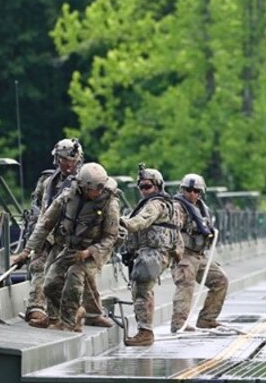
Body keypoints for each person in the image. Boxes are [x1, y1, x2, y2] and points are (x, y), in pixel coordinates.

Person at [11, 163, 121, 332]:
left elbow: (110, 237)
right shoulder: (67, 198)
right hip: (72, 246)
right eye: (94, 189)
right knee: (50, 283)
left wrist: (88, 252)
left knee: (74, 277)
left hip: (95, 249)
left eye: (101, 188)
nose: (98, 192)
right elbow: (45, 225)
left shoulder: (110, 204)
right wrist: (27, 251)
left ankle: (69, 324)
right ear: (83, 187)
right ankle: (63, 316)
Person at [22, 138, 109, 328]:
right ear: (56, 160)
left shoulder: (88, 181)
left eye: (72, 160)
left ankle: (92, 313)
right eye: (63, 160)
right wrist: (31, 241)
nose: (68, 165)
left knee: (83, 276)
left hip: (78, 235)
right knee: (42, 269)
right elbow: (39, 209)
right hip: (51, 230)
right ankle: (41, 310)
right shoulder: (47, 181)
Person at [119, 165, 177, 346]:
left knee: (142, 288)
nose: (144, 191)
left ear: (158, 186)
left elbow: (141, 221)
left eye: (148, 187)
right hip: (147, 253)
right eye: (141, 187)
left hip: (154, 253)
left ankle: (145, 332)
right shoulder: (148, 204)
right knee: (140, 289)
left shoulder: (156, 204)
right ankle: (144, 330)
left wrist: (123, 223)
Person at [170, 173, 228, 333]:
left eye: (196, 191)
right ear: (182, 190)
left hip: (199, 255)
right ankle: (179, 324)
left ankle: (207, 319)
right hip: (184, 255)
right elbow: (173, 228)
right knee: (186, 285)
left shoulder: (202, 209)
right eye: (188, 190)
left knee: (220, 280)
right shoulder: (177, 208)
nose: (192, 194)